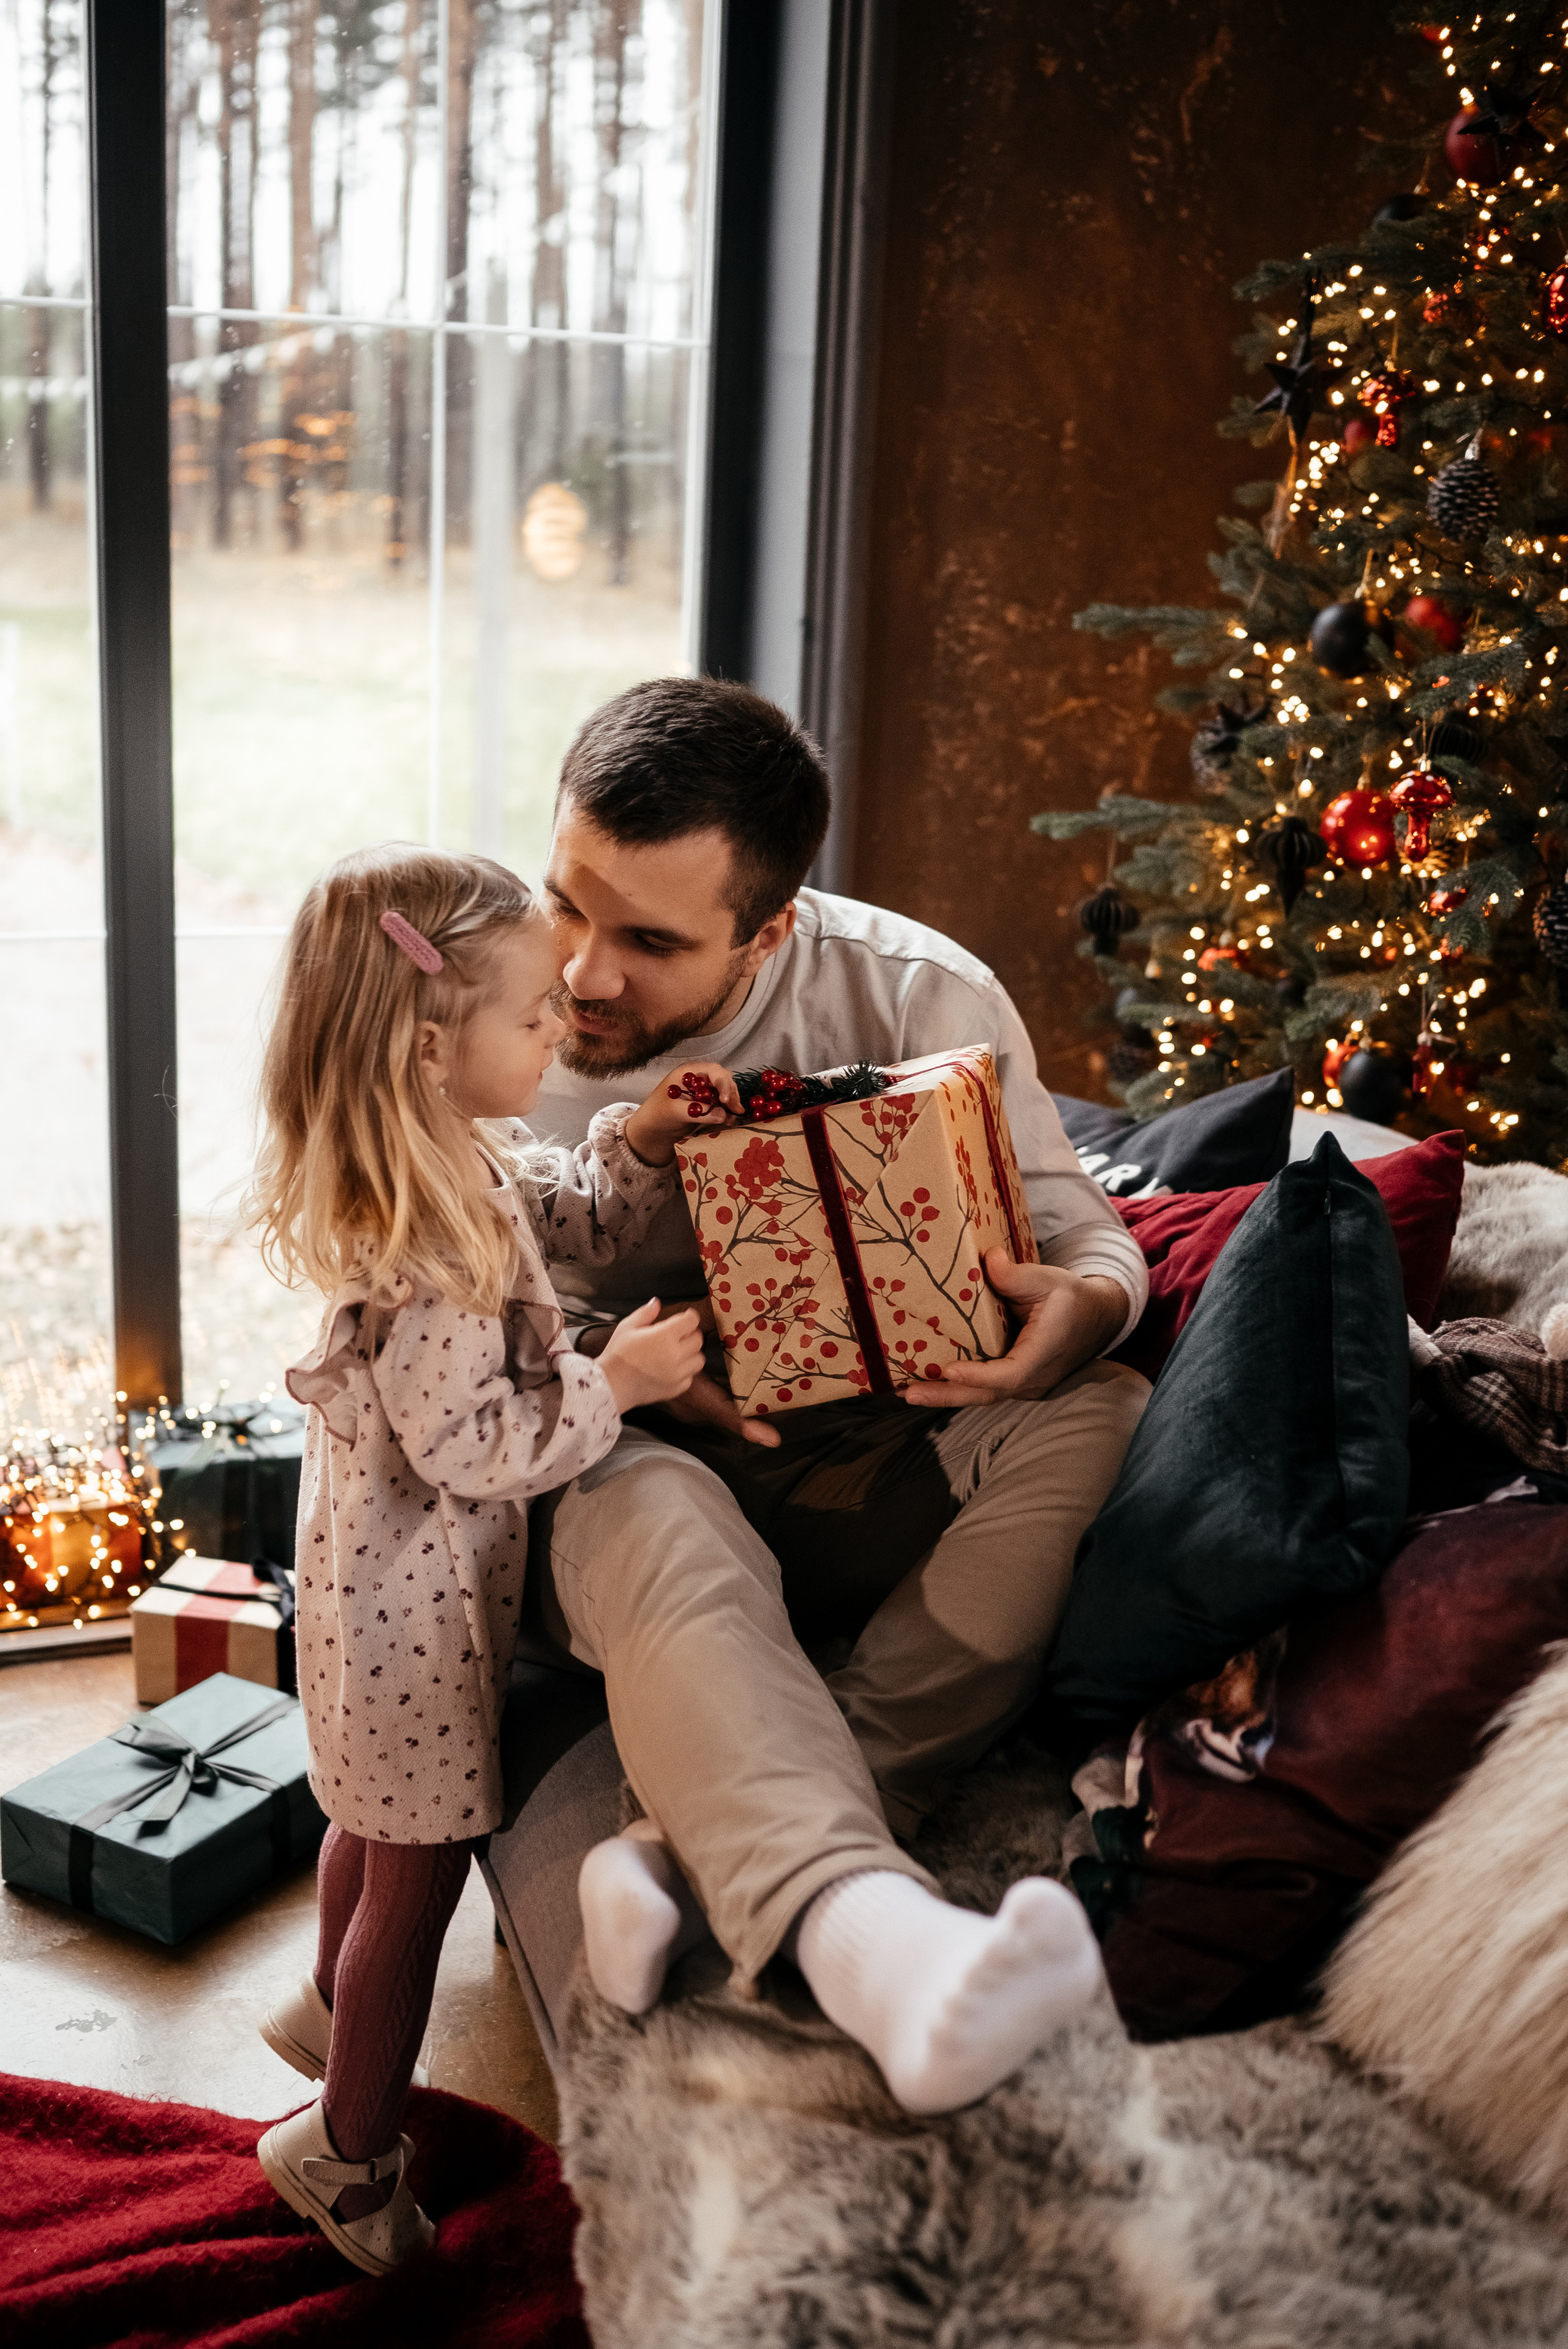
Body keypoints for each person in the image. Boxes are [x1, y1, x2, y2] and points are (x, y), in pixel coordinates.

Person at [529, 676, 1153, 2118]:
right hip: (614, 1454)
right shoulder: (498, 1009)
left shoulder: (919, 992)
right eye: (570, 900)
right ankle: (862, 1922)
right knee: (654, 1493)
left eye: (648, 941)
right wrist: (633, 1375)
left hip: (866, 1452)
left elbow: (1086, 1236)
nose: (581, 976)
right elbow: (448, 1323)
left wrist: (1081, 1312)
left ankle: (676, 1858)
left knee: (1102, 1409)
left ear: (769, 933)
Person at [244, 843, 742, 2274]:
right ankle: (344, 2152)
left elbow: (558, 1214)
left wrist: (638, 1146)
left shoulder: (444, 1167)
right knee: (420, 1859)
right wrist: (622, 1385)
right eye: (531, 1018)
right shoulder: (431, 1238)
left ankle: (325, 2012)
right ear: (427, 1047)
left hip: (364, 1591)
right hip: (412, 1610)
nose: (559, 1031)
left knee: (362, 1817)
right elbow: (474, 1446)